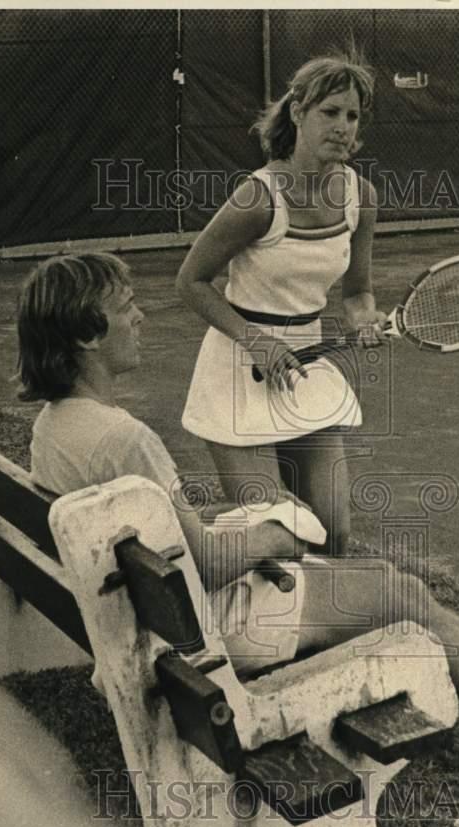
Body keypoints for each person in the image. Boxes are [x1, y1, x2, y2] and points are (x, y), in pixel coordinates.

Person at [16, 252, 459, 748]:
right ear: (88, 336)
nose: (141, 317)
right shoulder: (126, 440)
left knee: (354, 574)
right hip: (209, 635)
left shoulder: (54, 427)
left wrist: (252, 527)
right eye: (126, 310)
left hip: (143, 626)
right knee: (394, 591)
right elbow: (204, 565)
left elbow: (170, 551)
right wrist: (277, 537)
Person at [177, 49, 388, 556]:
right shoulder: (258, 198)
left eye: (352, 115)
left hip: (304, 370)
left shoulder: (362, 197)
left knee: (333, 535)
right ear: (298, 112)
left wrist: (364, 319)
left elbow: (356, 292)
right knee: (279, 535)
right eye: (329, 112)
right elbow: (191, 281)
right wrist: (257, 341)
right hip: (239, 368)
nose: (342, 127)